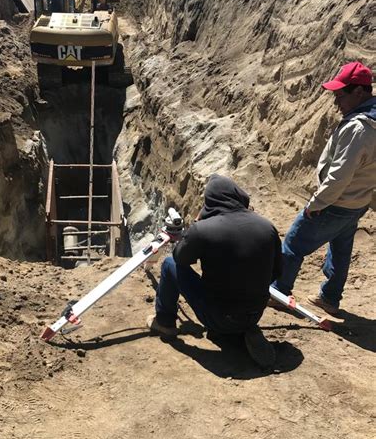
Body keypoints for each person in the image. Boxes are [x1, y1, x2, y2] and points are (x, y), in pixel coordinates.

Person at [270, 61, 375, 315]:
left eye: (340, 95)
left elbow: (339, 176)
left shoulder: (358, 129)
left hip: (336, 201)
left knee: (294, 243)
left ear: (359, 92)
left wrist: (315, 204)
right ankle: (329, 297)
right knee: (340, 247)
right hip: (357, 201)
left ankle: (278, 292)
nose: (336, 101)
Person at [148, 175, 282, 368]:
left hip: (219, 317)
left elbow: (180, 258)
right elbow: (277, 272)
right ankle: (241, 328)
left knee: (169, 264)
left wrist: (194, 229)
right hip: (255, 311)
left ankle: (165, 322)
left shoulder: (203, 230)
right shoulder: (267, 226)